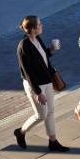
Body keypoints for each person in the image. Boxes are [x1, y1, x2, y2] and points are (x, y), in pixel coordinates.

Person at [14, 16, 69, 152]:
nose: (42, 26)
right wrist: (37, 92)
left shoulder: (37, 38)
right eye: (39, 24)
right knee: (41, 115)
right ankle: (21, 132)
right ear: (33, 29)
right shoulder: (23, 46)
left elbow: (43, 56)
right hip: (35, 85)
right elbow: (28, 72)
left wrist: (51, 49)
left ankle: (53, 141)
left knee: (50, 112)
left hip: (47, 80)